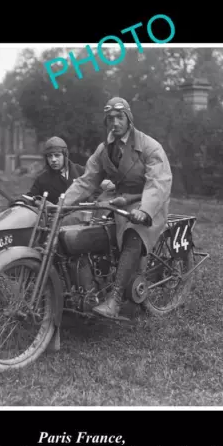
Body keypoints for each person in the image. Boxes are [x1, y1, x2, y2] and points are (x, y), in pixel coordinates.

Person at [59, 97, 173, 319]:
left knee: (133, 233)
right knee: (86, 226)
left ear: (129, 119)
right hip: (117, 198)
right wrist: (62, 204)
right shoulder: (104, 150)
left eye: (119, 117)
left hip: (149, 201)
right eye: (110, 118)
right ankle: (90, 282)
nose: (115, 122)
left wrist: (145, 210)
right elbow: (87, 180)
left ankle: (116, 298)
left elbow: (158, 183)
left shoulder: (150, 147)